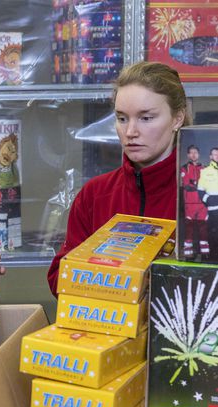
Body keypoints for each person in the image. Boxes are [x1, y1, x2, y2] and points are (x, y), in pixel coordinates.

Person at [47, 61, 190, 296]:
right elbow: (58, 280)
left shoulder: (201, 195)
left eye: (146, 118)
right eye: (122, 118)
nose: (131, 131)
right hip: (105, 329)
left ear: (177, 118)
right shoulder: (94, 194)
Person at [180, 145, 209, 258]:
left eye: (195, 152)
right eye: (191, 152)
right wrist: (198, 184)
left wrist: (195, 183)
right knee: (189, 229)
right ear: (188, 155)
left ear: (199, 154)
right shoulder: (184, 168)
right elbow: (187, 186)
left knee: (203, 228)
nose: (193, 154)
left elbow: (207, 185)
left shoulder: (204, 168)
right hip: (190, 204)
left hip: (202, 204)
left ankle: (205, 253)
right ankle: (189, 254)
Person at [197, 148, 218, 260]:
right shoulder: (205, 171)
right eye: (215, 155)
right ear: (211, 157)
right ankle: (213, 257)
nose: (217, 157)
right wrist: (209, 200)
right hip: (213, 209)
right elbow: (200, 191)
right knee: (213, 234)